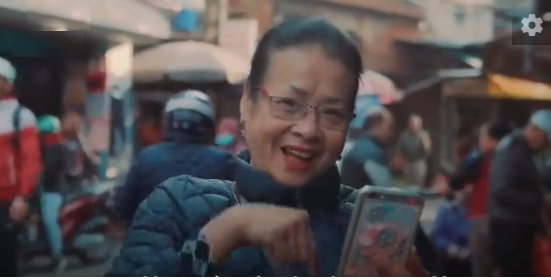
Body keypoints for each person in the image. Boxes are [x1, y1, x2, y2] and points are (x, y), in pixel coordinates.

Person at [106, 18, 430, 277]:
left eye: (332, 112)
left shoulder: (379, 231)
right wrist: (219, 238)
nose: (308, 130)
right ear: (248, 102)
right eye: (288, 104)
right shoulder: (176, 207)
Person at [113, 90, 237, 223]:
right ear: (208, 124)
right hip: (207, 242)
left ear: (168, 122)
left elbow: (123, 209)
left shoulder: (146, 158)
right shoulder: (224, 161)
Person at [488, 110, 551, 276]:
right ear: (537, 130)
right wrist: (538, 201)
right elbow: (501, 190)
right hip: (510, 228)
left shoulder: (524, 151)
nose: (545, 145)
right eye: (545, 139)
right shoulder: (513, 150)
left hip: (518, 227)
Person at [449, 120, 513, 276]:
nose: (480, 141)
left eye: (483, 136)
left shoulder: (482, 159)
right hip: (508, 223)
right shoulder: (516, 159)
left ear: (493, 139)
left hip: (481, 219)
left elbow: (456, 181)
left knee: (481, 271)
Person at [0, 57, 41, 276]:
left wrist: (22, 197)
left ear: (8, 83)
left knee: (6, 261)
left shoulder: (21, 116)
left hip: (7, 203)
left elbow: (30, 160)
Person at [36, 115, 68, 271]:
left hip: (54, 191)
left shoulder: (59, 149)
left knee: (49, 219)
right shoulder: (41, 149)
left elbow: (48, 172)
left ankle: (58, 255)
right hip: (41, 191)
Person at [341, 107, 395, 188]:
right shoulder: (372, 153)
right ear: (375, 126)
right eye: (389, 127)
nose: (391, 133)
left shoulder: (360, 145)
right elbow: (385, 187)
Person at [430, 186, 472, 277]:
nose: (469, 189)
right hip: (451, 261)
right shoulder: (447, 211)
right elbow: (437, 237)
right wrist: (452, 249)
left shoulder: (485, 213)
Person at [396, 114, 431, 187]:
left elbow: (428, 151)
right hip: (408, 162)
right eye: (411, 124)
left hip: (419, 162)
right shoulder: (404, 135)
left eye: (415, 124)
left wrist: (425, 146)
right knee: (407, 182)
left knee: (418, 182)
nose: (413, 126)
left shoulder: (424, 135)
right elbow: (400, 149)